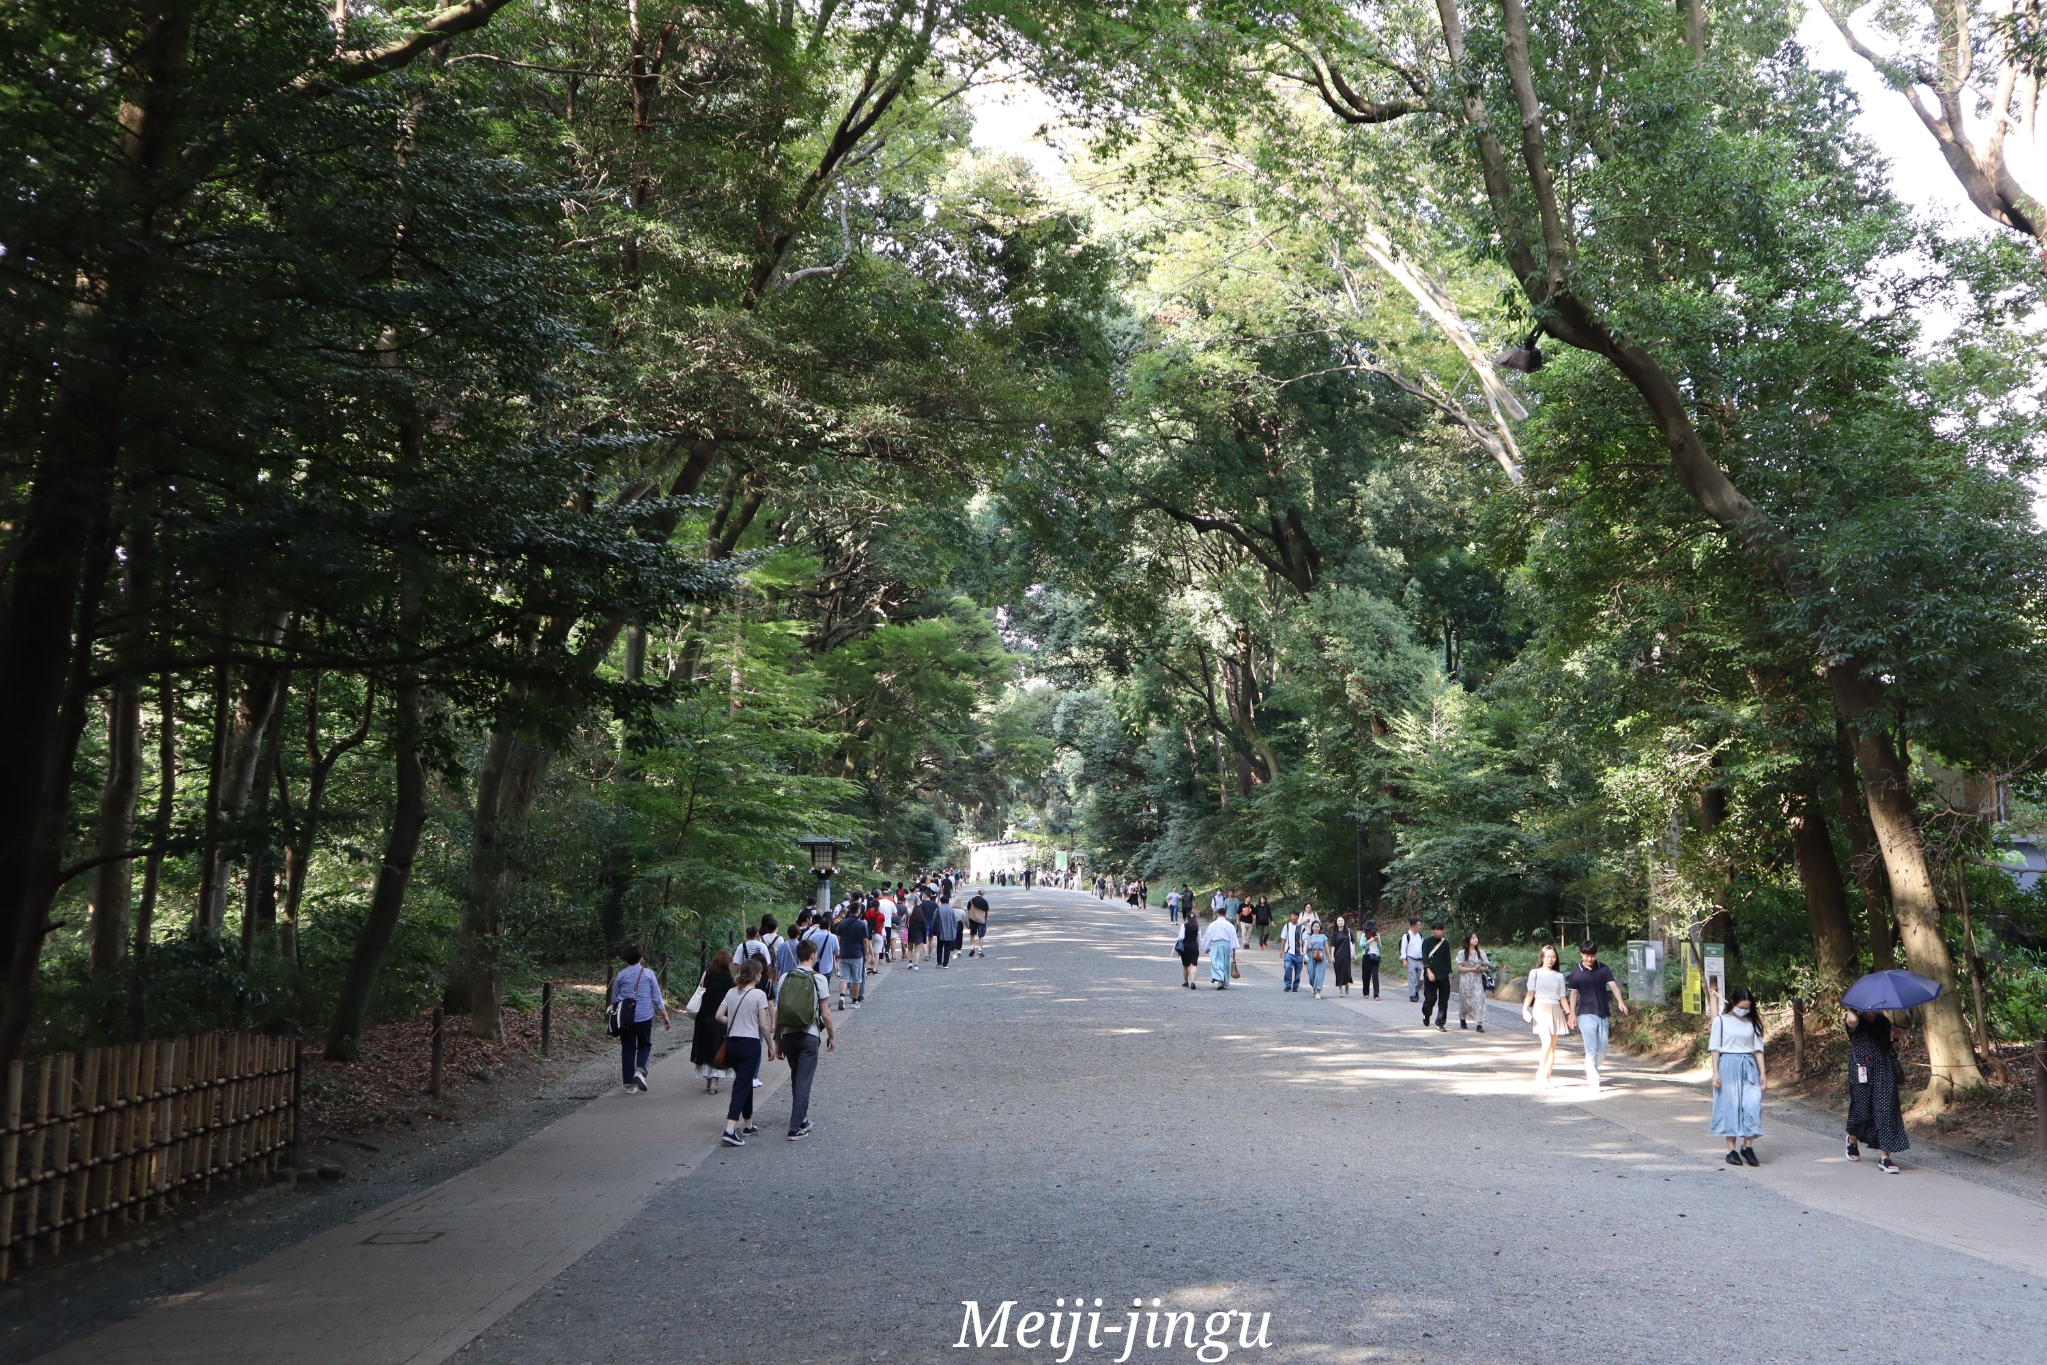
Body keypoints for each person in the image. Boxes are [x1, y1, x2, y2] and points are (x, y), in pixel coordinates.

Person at [776, 938, 837, 1141]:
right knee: (804, 1080)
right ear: (812, 956)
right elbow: (825, 1013)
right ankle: (795, 1128)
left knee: (796, 1077)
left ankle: (800, 1119)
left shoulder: (785, 977)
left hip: (788, 1035)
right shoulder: (818, 979)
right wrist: (831, 1035)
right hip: (809, 1034)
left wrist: (777, 1040)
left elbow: (779, 1010)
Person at [714, 960, 774, 1145]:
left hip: (732, 1043)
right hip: (749, 1044)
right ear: (756, 975)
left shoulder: (732, 992)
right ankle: (730, 1128)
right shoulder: (759, 995)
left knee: (745, 1081)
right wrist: (771, 1045)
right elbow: (763, 1024)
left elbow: (718, 1015)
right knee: (741, 1085)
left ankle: (748, 1123)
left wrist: (734, 1021)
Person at [1844, 1008, 1908, 1173]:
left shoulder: (1883, 1021)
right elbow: (1852, 1021)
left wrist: (1896, 1040)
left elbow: (1888, 1045)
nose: (1872, 1010)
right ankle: (1852, 1139)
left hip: (1884, 1068)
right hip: (1861, 1068)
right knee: (1861, 1110)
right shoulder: (1855, 1020)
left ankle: (1885, 1157)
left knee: (1886, 1109)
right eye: (1868, 1007)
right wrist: (1850, 1007)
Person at [1709, 986, 1767, 1164]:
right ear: (1732, 1003)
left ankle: (1747, 1146)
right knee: (1730, 1107)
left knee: (1753, 1105)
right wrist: (1715, 1072)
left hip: (1748, 1066)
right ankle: (1731, 1150)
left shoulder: (1752, 1023)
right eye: (1741, 1007)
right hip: (1728, 1065)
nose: (1743, 1010)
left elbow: (1758, 1049)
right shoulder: (1721, 1021)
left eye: (1747, 1008)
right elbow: (1715, 1048)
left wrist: (1763, 1073)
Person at [1565, 940, 1629, 1092]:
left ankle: (1590, 1065)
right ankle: (1594, 1080)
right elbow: (1573, 994)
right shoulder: (1576, 972)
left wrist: (1621, 1002)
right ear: (1581, 954)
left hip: (1602, 1013)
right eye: (1586, 956)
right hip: (1585, 1014)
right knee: (1591, 1049)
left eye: (1592, 956)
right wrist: (1571, 1014)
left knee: (1603, 1049)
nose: (1589, 959)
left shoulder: (1603, 968)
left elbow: (1613, 985)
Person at [609, 943, 671, 1094]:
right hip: (644, 1016)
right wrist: (664, 1014)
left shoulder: (621, 975)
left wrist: (612, 1016)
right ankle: (640, 1070)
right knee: (644, 1044)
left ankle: (630, 1084)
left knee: (628, 1048)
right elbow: (656, 996)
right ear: (641, 957)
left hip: (626, 1018)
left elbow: (615, 999)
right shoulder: (648, 974)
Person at [1520, 944, 1569, 1085]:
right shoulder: (1534, 973)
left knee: (1553, 1046)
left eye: (1554, 957)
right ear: (1542, 957)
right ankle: (1541, 1072)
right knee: (1546, 1042)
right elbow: (1530, 994)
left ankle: (1547, 1076)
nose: (1551, 959)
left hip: (1555, 1009)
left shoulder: (1559, 976)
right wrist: (1524, 1010)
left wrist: (1570, 1014)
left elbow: (1562, 998)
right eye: (1548, 956)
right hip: (1540, 1008)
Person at [690, 950, 736, 1094]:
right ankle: (715, 1081)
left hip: (703, 1016)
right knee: (718, 1046)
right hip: (720, 1018)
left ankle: (708, 1080)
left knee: (706, 1046)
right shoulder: (729, 979)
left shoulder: (706, 974)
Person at [1455, 931, 1491, 1032]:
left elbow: (1486, 968)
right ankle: (1463, 1018)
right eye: (1473, 938)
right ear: (1468, 940)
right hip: (1466, 981)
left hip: (1477, 981)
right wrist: (1472, 969)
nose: (1476, 940)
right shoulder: (1462, 953)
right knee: (1465, 1001)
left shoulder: (1481, 953)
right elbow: (1460, 968)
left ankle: (1479, 1023)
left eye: (1476, 938)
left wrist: (1480, 968)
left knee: (1479, 1000)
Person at [833, 906, 869, 1010]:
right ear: (858, 911)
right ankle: (854, 1001)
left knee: (844, 978)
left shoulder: (842, 923)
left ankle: (842, 997)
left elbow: (838, 939)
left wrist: (837, 952)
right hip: (857, 954)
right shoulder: (862, 924)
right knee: (856, 979)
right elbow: (865, 941)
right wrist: (865, 953)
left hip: (844, 954)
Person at [1420, 921, 1452, 1030]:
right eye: (1437, 929)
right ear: (1432, 930)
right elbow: (1425, 957)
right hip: (1431, 974)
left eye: (1441, 929)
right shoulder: (1427, 942)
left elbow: (1448, 960)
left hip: (1443, 973)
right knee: (1430, 999)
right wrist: (1428, 971)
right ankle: (1426, 1014)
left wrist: (1449, 975)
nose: (1439, 932)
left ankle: (1440, 1022)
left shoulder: (1445, 943)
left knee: (1444, 999)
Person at [1202, 907, 1238, 989]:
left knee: (1216, 963)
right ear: (1225, 914)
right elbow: (1233, 938)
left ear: (1217, 914)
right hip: (1226, 945)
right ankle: (1222, 981)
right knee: (1225, 963)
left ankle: (1219, 979)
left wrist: (1207, 947)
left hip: (1216, 945)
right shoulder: (1229, 925)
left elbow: (1208, 937)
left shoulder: (1212, 925)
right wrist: (1233, 950)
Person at [1279, 909, 1306, 993]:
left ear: (1298, 917)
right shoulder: (1287, 926)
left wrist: (1305, 953)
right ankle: (1287, 985)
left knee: (1298, 971)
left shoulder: (1302, 928)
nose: (1293, 917)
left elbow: (1305, 941)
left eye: (1295, 916)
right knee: (1288, 968)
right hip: (1288, 952)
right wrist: (1281, 950)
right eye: (1292, 915)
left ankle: (1295, 986)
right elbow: (1283, 938)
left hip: (1299, 953)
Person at [1400, 918, 1426, 1002]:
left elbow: (1423, 947)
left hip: (1420, 960)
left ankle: (1415, 990)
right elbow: (1403, 948)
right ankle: (1412, 995)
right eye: (1418, 925)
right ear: (1413, 925)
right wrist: (1404, 959)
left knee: (1422, 978)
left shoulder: (1420, 936)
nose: (1420, 927)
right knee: (1412, 978)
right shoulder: (1407, 936)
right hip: (1411, 959)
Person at [1174, 910, 1202, 988]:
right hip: (1194, 947)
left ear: (1187, 918)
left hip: (1185, 947)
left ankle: (1186, 981)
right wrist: (1197, 946)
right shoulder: (1197, 927)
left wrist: (1179, 934)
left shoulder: (1184, 926)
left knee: (1185, 965)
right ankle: (1193, 982)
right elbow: (1198, 939)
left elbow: (1182, 937)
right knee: (1194, 965)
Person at [1305, 921, 1330, 998]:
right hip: (1311, 955)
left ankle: (1318, 992)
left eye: (1318, 927)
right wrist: (1304, 954)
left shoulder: (1323, 936)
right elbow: (1305, 945)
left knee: (1319, 974)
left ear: (1320, 928)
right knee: (1311, 974)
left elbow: (1326, 947)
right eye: (1315, 926)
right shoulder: (1308, 937)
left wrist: (1330, 957)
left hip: (1321, 956)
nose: (1316, 928)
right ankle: (1314, 986)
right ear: (1312, 927)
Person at [1331, 916, 1355, 997]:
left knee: (1346, 970)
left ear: (1344, 922)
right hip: (1337, 955)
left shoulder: (1348, 932)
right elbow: (1332, 945)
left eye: (1342, 920)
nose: (1340, 922)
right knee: (1338, 972)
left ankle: (1347, 983)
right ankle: (1340, 990)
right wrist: (1332, 956)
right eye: (1339, 921)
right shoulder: (1334, 933)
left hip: (1346, 954)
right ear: (1336, 923)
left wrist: (1353, 953)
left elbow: (1353, 942)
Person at [934, 896, 960, 967]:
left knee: (939, 946)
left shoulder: (938, 909)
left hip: (940, 931)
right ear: (948, 901)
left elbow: (934, 920)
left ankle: (939, 962)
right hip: (949, 931)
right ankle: (945, 963)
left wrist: (934, 930)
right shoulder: (951, 910)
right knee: (947, 948)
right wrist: (954, 931)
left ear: (941, 901)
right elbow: (955, 922)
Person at [1360, 920, 1382, 999]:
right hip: (1366, 956)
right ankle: (1366, 993)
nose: (1372, 931)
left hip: (1375, 956)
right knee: (1366, 975)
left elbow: (1380, 947)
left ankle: (1376, 994)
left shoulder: (1377, 935)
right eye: (1371, 929)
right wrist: (1370, 940)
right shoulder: (1364, 935)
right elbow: (1361, 945)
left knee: (1375, 975)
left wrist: (1377, 941)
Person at [966, 890, 990, 956]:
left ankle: (972, 947)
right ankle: (980, 950)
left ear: (977, 893)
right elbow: (986, 912)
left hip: (972, 919)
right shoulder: (985, 902)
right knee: (981, 936)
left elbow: (968, 910)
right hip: (981, 920)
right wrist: (985, 919)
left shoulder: (971, 900)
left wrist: (969, 919)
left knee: (972, 934)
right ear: (983, 894)